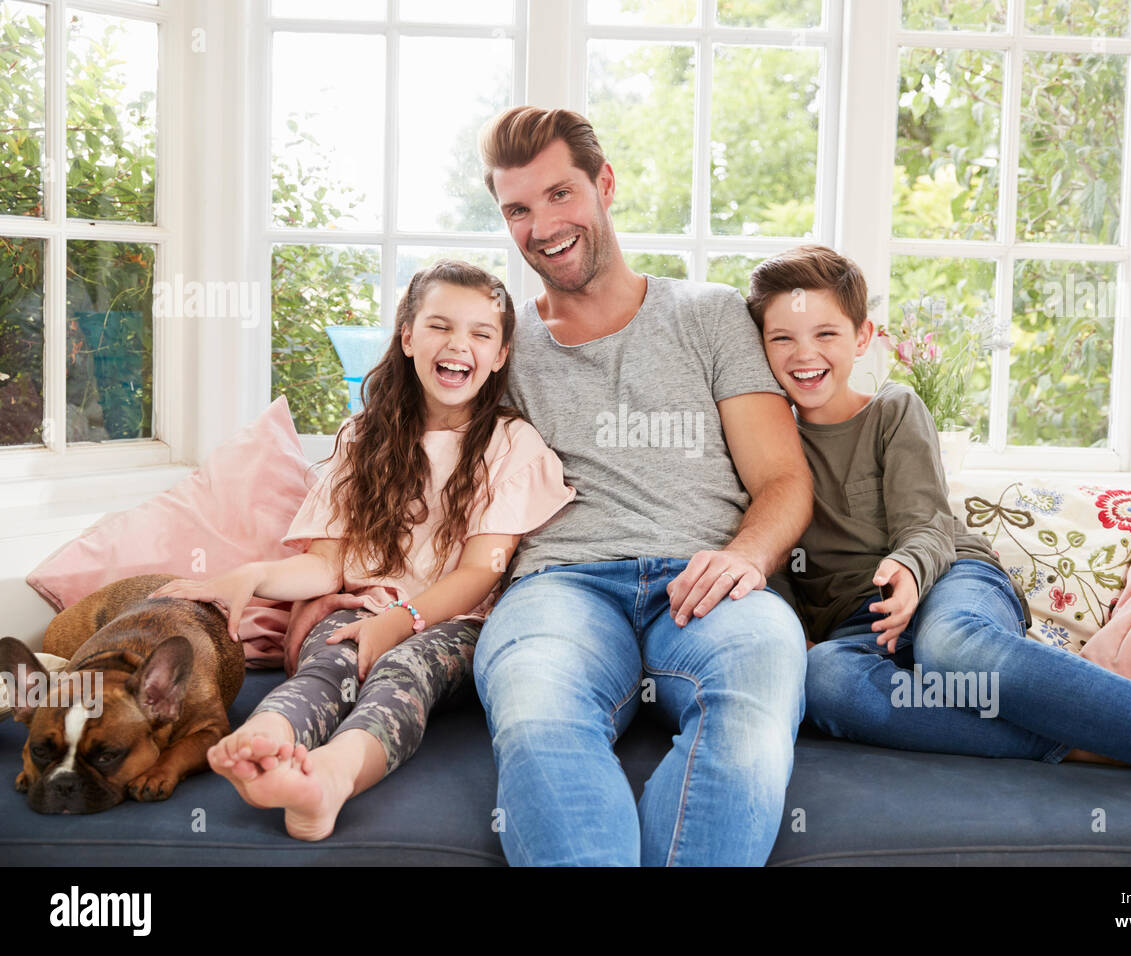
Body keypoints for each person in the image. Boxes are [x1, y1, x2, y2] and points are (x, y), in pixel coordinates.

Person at [745, 242, 1131, 821]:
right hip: (862, 624)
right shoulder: (759, 440)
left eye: (825, 334)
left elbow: (928, 522)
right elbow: (765, 552)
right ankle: (1089, 738)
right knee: (828, 682)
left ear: (863, 338)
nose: (804, 353)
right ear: (758, 346)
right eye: (782, 337)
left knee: (948, 648)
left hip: (947, 580)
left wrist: (909, 568)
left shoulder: (893, 410)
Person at [466, 106, 812, 866]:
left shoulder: (710, 312)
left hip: (709, 580)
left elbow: (784, 479)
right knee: (536, 710)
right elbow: (404, 460)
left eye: (561, 195)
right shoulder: (501, 346)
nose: (543, 225)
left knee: (755, 696)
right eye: (518, 209)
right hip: (562, 587)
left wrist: (747, 555)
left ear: (605, 185)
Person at [153, 260, 575, 841]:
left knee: (404, 671)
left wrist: (402, 621)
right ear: (407, 337)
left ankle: (332, 778)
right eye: (439, 326)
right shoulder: (362, 437)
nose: (459, 345)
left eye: (481, 333)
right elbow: (325, 567)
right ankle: (267, 741)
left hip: (458, 621)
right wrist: (249, 578)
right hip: (368, 605)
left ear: (501, 355)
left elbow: (483, 570)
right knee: (330, 659)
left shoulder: (511, 443)